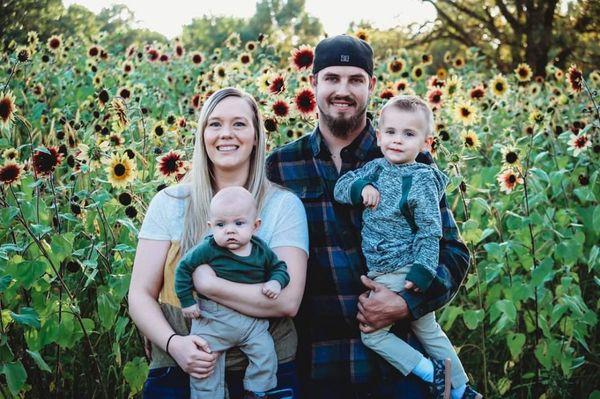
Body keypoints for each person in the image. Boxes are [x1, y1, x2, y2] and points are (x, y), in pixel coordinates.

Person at [265, 35, 471, 398]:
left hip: (400, 370)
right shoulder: (281, 166)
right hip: (316, 367)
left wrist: (405, 304)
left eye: (355, 79)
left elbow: (453, 252)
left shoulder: (410, 161)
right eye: (332, 78)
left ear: (371, 86)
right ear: (313, 83)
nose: (342, 90)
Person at [129, 87, 309, 399]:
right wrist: (176, 344)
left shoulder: (282, 205)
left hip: (264, 369)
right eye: (215, 124)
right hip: (183, 366)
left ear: (256, 137)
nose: (226, 134)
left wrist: (209, 286)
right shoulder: (170, 203)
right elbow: (140, 294)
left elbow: (287, 300)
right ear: (202, 136)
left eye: (239, 124)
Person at [334, 95, 482, 399]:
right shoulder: (374, 169)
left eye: (408, 134)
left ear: (425, 143)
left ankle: (431, 374)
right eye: (390, 132)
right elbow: (340, 187)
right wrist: (361, 188)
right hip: (384, 269)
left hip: (400, 268)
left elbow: (430, 231)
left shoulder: (422, 180)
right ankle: (460, 389)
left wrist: (424, 271)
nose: (397, 140)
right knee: (429, 332)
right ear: (378, 136)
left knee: (373, 336)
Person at [175, 186, 290, 398]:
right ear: (211, 227)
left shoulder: (261, 250)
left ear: (255, 226)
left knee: (265, 353)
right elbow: (183, 268)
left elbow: (280, 268)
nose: (230, 230)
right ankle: (208, 395)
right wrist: (186, 301)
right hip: (213, 317)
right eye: (221, 224)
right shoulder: (208, 249)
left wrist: (276, 282)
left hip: (251, 318)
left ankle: (257, 390)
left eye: (239, 223)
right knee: (204, 363)